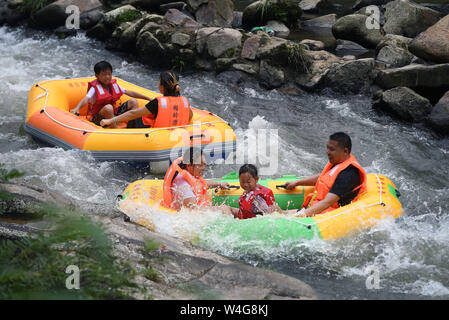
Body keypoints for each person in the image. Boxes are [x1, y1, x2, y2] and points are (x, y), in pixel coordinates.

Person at [285, 132, 367, 217]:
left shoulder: (348, 175)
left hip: (329, 215)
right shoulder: (339, 161)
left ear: (345, 151)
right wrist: (297, 182)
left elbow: (327, 202)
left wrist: (301, 215)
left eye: (331, 149)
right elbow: (323, 177)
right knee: (278, 212)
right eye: (327, 148)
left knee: (283, 216)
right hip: (317, 207)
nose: (327, 152)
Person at [70, 61, 151, 127]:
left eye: (109, 74)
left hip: (113, 114)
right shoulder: (94, 88)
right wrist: (76, 108)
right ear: (97, 76)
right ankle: (114, 130)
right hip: (97, 118)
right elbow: (86, 99)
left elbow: (129, 92)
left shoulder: (113, 85)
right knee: (108, 108)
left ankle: (133, 127)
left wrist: (147, 98)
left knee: (133, 102)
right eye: (104, 74)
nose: (107, 77)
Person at [100, 71, 193, 128]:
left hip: (153, 136)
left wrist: (111, 120)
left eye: (159, 81)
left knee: (136, 113)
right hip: (174, 136)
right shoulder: (184, 101)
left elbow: (133, 114)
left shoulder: (157, 103)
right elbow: (190, 115)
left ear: (162, 87)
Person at [162, 147, 231, 211]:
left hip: (199, 211)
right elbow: (193, 213)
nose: (204, 168)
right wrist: (219, 209)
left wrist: (219, 184)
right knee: (227, 209)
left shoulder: (186, 176)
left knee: (229, 209)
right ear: (189, 165)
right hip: (192, 217)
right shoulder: (184, 187)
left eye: (204, 165)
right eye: (200, 165)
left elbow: (200, 184)